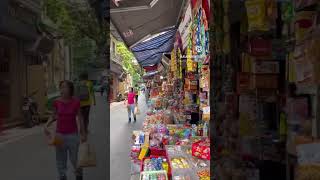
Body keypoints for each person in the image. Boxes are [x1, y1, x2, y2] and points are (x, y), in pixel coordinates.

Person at [44, 80, 87, 180]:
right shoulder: (57, 102)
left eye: (65, 87)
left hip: (73, 135)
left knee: (75, 159)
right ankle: (62, 176)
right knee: (60, 159)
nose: (62, 89)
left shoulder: (76, 102)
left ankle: (79, 175)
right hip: (59, 135)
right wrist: (46, 125)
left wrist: (83, 133)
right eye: (61, 87)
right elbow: (53, 115)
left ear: (70, 89)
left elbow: (80, 118)